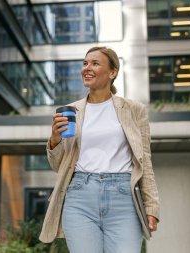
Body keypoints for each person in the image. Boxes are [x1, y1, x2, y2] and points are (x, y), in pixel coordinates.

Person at [39, 46, 160, 253]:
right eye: (85, 63)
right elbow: (58, 165)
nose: (87, 68)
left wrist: (151, 206)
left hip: (124, 197)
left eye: (95, 63)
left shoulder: (134, 110)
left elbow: (144, 161)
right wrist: (54, 140)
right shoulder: (71, 111)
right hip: (80, 196)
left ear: (112, 72)